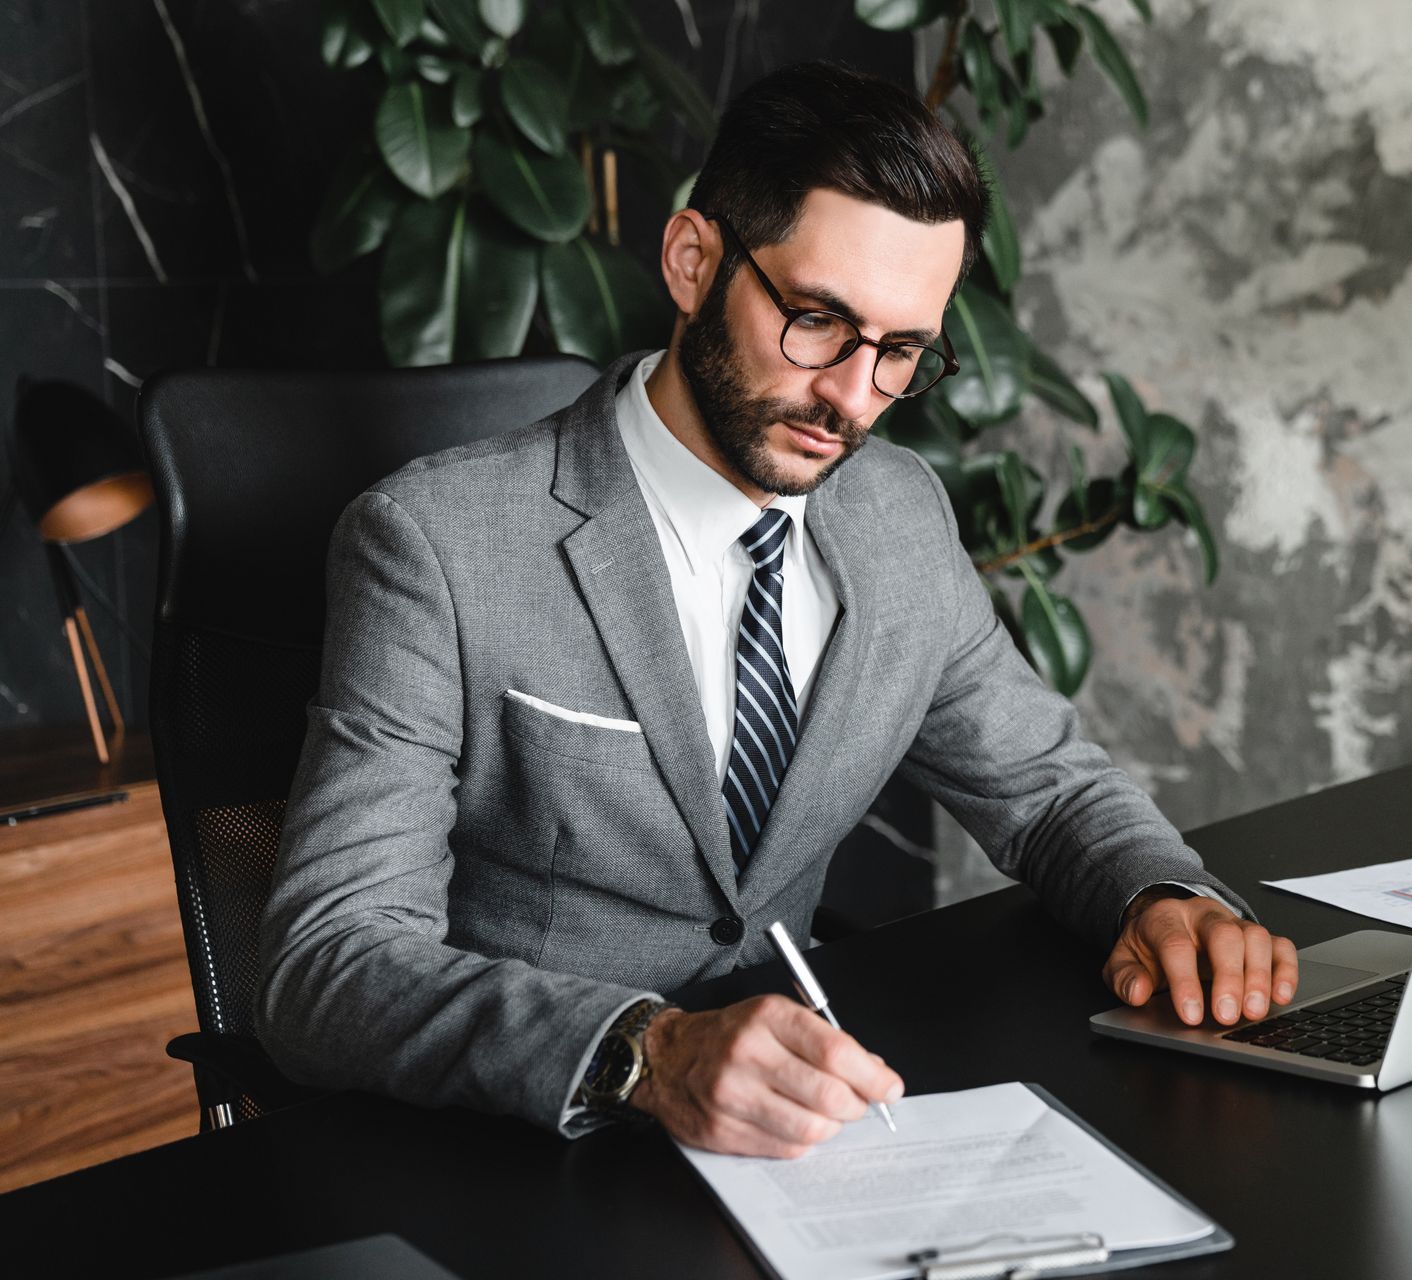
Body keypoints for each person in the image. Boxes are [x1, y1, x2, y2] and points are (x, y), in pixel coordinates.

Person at [256, 60, 1299, 1159]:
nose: (853, 398)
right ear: (693, 260)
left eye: (901, 352)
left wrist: (1163, 894)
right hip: (523, 1149)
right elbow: (330, 958)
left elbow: (1045, 788)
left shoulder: (897, 515)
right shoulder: (437, 542)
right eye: (816, 320)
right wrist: (646, 1051)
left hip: (794, 1142)